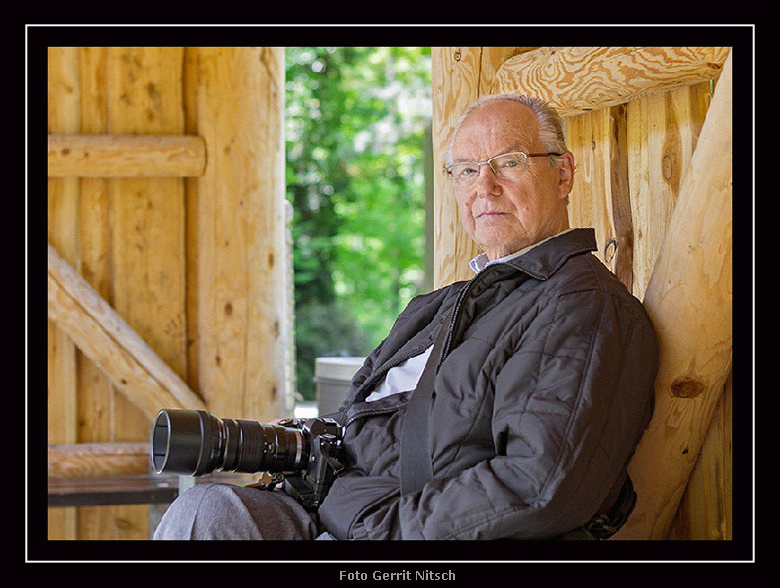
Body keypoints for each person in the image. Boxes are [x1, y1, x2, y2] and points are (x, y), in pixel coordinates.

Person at [153, 94, 658, 541]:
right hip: (346, 509)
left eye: (509, 162)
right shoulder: (446, 303)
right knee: (205, 511)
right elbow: (369, 417)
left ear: (564, 173)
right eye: (465, 170)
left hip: (398, 530)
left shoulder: (582, 305)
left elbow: (539, 486)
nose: (485, 186)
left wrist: (372, 524)